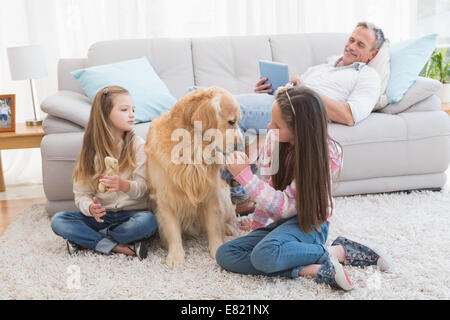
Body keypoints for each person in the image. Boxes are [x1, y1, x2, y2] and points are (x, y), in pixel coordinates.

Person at [216, 85, 393, 290]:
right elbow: (267, 188)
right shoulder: (273, 143)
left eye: (277, 124)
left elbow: (286, 207)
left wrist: (244, 176)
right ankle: (311, 269)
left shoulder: (323, 156)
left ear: (299, 129)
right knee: (226, 254)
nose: (269, 127)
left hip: (310, 223)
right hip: (282, 224)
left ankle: (338, 251)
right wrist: (259, 226)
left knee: (264, 255)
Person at [51, 86, 158, 260]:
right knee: (59, 220)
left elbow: (144, 189)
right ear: (105, 113)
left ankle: (87, 240)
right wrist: (90, 208)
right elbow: (81, 194)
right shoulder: (89, 151)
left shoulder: (138, 145)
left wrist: (124, 186)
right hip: (101, 217)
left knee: (149, 223)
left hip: (131, 215)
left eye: (133, 110)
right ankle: (118, 247)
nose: (132, 114)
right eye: (124, 110)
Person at [250, 21, 385, 128]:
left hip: (297, 113)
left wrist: (304, 91)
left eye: (360, 44)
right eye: (351, 40)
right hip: (278, 103)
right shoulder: (321, 68)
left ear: (372, 54)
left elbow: (349, 116)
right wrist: (269, 90)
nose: (352, 46)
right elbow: (297, 89)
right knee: (232, 115)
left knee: (232, 110)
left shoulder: (368, 76)